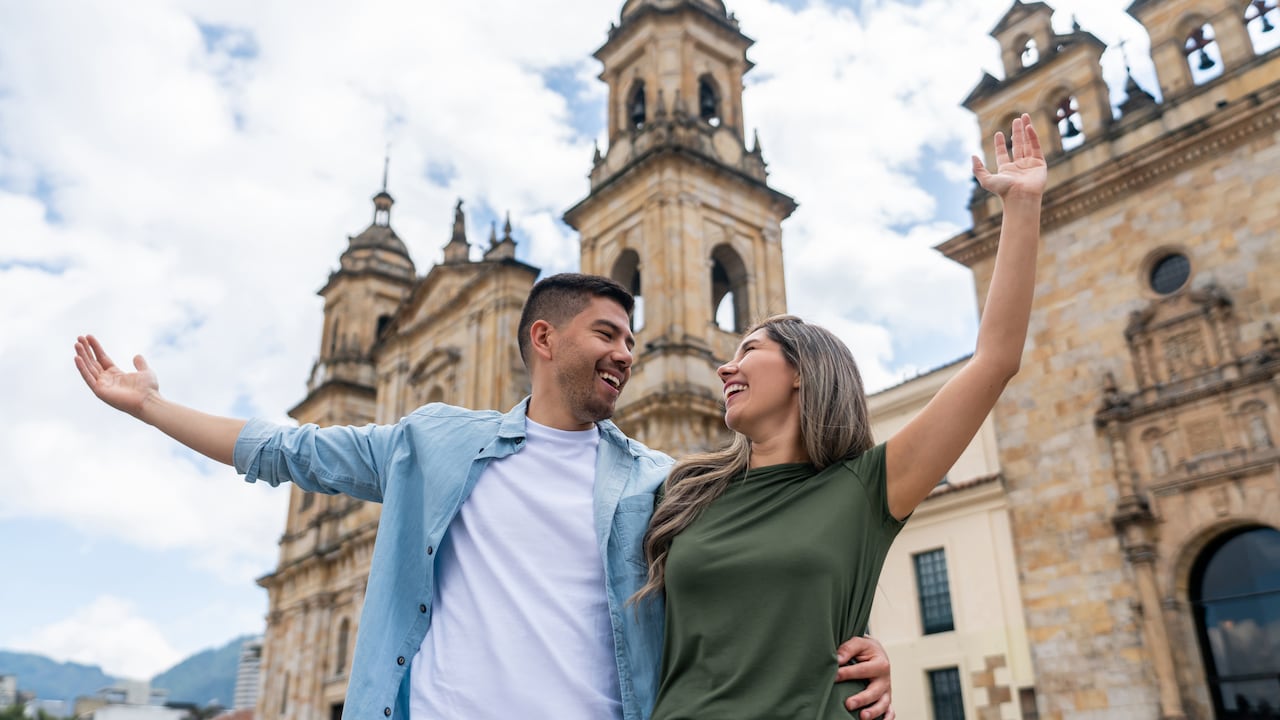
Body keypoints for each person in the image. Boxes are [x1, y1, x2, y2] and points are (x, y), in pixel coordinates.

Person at [73, 273, 896, 719]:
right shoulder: (435, 443)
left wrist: (852, 649)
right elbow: (291, 451)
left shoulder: (661, 480)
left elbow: (763, 567)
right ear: (544, 338)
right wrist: (151, 408)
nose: (627, 354)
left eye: (633, 342)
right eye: (608, 335)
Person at [636, 113, 1046, 719]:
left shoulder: (866, 489)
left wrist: (1022, 208)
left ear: (802, 370)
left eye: (748, 351)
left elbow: (996, 360)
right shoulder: (682, 490)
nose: (725, 367)